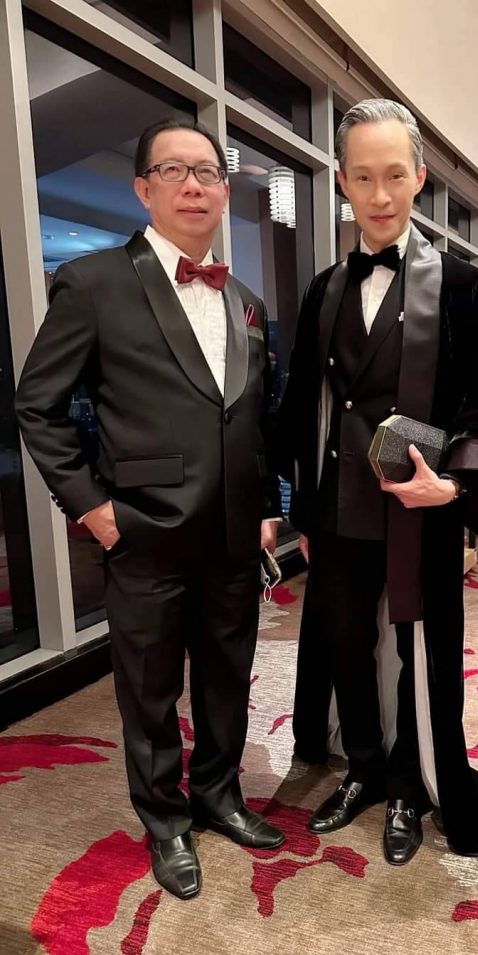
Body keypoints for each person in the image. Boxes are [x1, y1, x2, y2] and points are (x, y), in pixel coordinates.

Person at [15, 119, 286, 900]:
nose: (194, 185)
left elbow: (253, 418)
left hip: (233, 533)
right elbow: (38, 406)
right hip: (142, 527)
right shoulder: (95, 282)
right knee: (150, 685)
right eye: (174, 171)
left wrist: (267, 505)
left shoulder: (245, 300)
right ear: (143, 188)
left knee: (228, 677)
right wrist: (92, 508)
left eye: (208, 173)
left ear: (225, 191)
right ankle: (165, 819)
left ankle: (220, 795)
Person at [277, 98, 478, 866]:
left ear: (420, 176)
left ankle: (409, 787)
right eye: (363, 177)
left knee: (423, 649)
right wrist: (297, 510)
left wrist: (454, 490)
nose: (380, 195)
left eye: (394, 175)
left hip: (423, 507)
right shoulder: (323, 289)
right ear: (342, 183)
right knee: (348, 644)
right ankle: (362, 767)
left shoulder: (461, 285)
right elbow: (303, 404)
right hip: (339, 508)